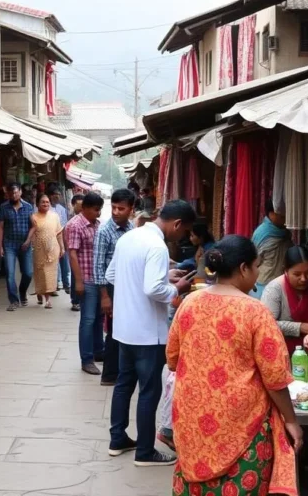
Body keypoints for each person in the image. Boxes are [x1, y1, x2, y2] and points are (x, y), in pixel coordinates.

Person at [167, 235, 301, 496]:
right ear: (243, 269)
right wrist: (292, 421)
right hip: (242, 423)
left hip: (191, 418)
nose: (258, 273)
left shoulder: (189, 303)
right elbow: (275, 379)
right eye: (256, 266)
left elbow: (172, 358)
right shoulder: (255, 312)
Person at [105, 199, 196, 467]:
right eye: (183, 231)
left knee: (124, 384)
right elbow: (153, 289)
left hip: (124, 328)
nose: (182, 237)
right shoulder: (157, 246)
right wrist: (176, 288)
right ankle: (145, 451)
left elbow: (113, 275)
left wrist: (162, 277)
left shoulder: (129, 237)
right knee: (149, 390)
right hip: (147, 332)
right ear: (176, 224)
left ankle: (117, 438)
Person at [95, 188, 135, 385]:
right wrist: (105, 296)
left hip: (127, 287)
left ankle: (123, 371)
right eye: (114, 207)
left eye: (121, 208)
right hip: (111, 288)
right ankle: (109, 375)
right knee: (113, 331)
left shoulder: (132, 229)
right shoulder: (104, 231)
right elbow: (98, 266)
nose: (116, 212)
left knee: (125, 329)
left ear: (131, 209)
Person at [260, 246, 308, 352]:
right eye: (297, 274)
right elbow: (267, 323)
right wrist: (299, 327)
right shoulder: (274, 289)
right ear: (286, 271)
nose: (303, 279)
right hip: (282, 350)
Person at [65, 192, 104, 372]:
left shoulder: (97, 224)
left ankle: (98, 350)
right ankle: (86, 359)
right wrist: (79, 282)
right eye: (96, 210)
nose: (99, 213)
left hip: (98, 278)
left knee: (98, 318)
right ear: (86, 208)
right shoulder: (75, 225)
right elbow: (72, 254)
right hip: (86, 279)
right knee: (88, 319)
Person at [0, 183, 35, 310]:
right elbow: (0, 227)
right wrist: (0, 246)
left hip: (25, 245)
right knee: (10, 273)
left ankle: (22, 291)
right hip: (9, 245)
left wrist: (28, 240)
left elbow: (34, 226)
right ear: (8, 194)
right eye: (11, 193)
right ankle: (13, 300)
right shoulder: (3, 207)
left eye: (16, 193)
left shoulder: (28, 207)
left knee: (28, 273)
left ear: (20, 192)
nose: (14, 195)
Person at [28, 193, 64, 308]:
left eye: (47, 202)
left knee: (50, 274)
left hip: (53, 249)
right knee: (41, 273)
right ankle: (39, 292)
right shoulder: (33, 217)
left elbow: (59, 233)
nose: (45, 204)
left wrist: (62, 247)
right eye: (43, 202)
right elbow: (32, 233)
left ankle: (48, 299)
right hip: (39, 250)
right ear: (38, 204)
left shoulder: (55, 216)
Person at [252, 200, 292, 299]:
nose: (284, 216)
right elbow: (254, 262)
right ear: (271, 214)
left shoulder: (286, 231)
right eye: (281, 214)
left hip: (282, 283)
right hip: (263, 285)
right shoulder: (261, 234)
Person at [47, 186, 72, 294]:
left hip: (61, 238)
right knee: (53, 263)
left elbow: (64, 226)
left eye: (59, 194)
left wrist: (65, 241)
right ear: (50, 195)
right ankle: (55, 285)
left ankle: (66, 284)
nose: (57, 196)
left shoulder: (62, 209)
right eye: (55, 194)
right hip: (50, 239)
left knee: (64, 262)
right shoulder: (47, 209)